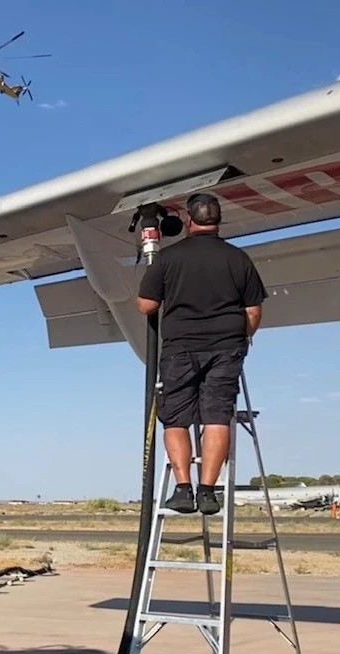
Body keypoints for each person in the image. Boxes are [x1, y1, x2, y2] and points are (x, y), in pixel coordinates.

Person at [134, 192, 267, 515]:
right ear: (218, 221)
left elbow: (146, 306)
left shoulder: (169, 258)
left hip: (181, 348)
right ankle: (208, 491)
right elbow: (253, 312)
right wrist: (241, 338)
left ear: (189, 220)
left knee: (176, 419)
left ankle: (183, 489)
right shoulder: (238, 259)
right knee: (217, 416)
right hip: (226, 348)